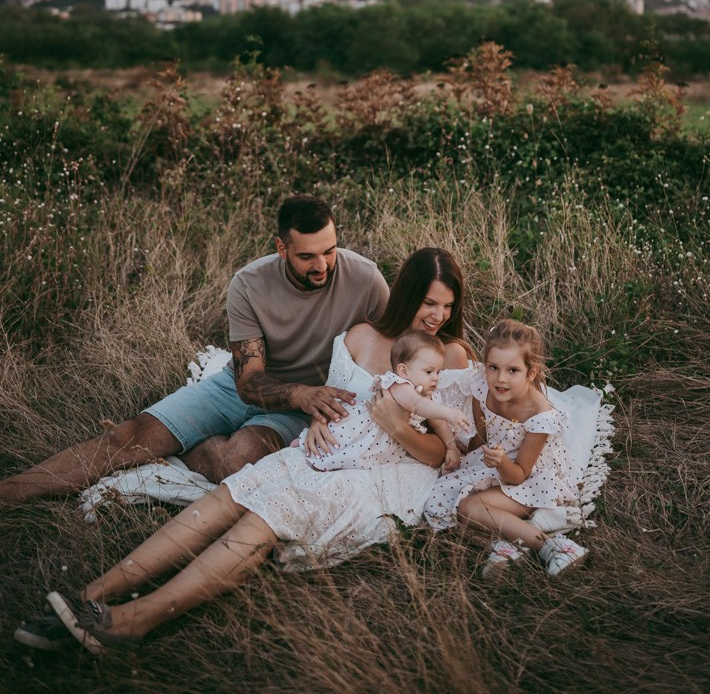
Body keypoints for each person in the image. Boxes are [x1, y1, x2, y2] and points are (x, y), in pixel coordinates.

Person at [22, 247, 471, 653]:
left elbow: (440, 454)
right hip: (328, 452)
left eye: (447, 306)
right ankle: (88, 597)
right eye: (429, 302)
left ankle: (134, 620)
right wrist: (317, 420)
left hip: (380, 474)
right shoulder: (362, 337)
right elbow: (335, 402)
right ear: (405, 293)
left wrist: (396, 426)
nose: (436, 315)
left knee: (264, 514)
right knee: (231, 494)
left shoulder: (449, 356)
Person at [0, 195, 389, 506]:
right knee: (128, 437)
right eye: (307, 256)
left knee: (237, 460)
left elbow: (396, 348)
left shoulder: (366, 278)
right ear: (281, 248)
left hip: (304, 408)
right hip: (241, 387)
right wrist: (298, 392)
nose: (322, 266)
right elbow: (248, 381)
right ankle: (11, 493)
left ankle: (189, 452)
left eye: (330, 251)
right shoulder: (249, 284)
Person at [424, 318, 587, 577]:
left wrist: (500, 463)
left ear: (530, 372)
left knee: (470, 509)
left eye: (513, 370)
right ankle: (509, 545)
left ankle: (553, 546)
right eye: (493, 367)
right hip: (498, 461)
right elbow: (482, 433)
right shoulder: (482, 386)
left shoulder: (539, 415)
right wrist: (471, 459)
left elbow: (520, 473)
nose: (500, 379)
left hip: (531, 478)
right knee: (442, 502)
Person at [298, 330, 470, 474]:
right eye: (429, 371)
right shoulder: (399, 384)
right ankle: (303, 448)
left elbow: (440, 426)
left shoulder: (429, 397)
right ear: (403, 370)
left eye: (438, 372)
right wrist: (449, 413)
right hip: (364, 430)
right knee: (339, 447)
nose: (435, 378)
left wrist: (451, 447)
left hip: (385, 440)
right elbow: (416, 405)